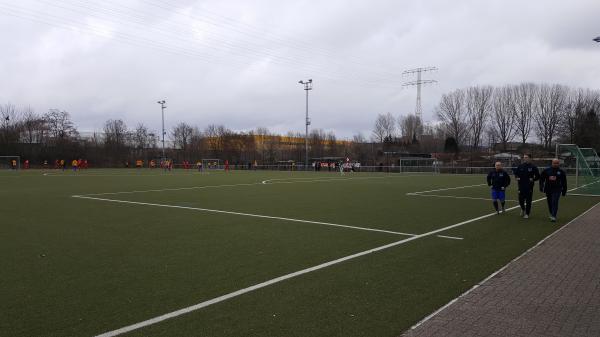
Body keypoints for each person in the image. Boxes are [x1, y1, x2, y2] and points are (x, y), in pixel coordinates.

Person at [513, 154, 540, 219]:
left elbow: (538, 176)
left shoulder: (533, 167)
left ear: (530, 158)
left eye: (526, 157)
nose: (525, 158)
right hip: (521, 186)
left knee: (528, 201)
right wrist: (516, 177)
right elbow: (516, 174)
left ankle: (527, 214)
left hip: (529, 187)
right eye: (524, 157)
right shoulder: (520, 166)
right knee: (520, 200)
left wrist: (533, 179)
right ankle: (523, 209)